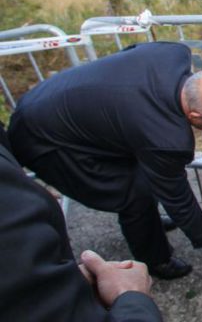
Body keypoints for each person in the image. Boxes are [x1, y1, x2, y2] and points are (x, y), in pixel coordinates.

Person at [7, 41, 202, 280]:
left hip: (44, 101)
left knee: (144, 174)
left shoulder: (172, 53)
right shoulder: (166, 139)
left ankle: (149, 223)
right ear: (195, 116)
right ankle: (156, 260)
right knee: (132, 194)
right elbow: (180, 201)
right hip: (46, 142)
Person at [1, 136, 163, 321]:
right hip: (48, 146)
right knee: (135, 197)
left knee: (139, 193)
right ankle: (158, 260)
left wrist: (64, 284)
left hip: (45, 140)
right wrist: (131, 295)